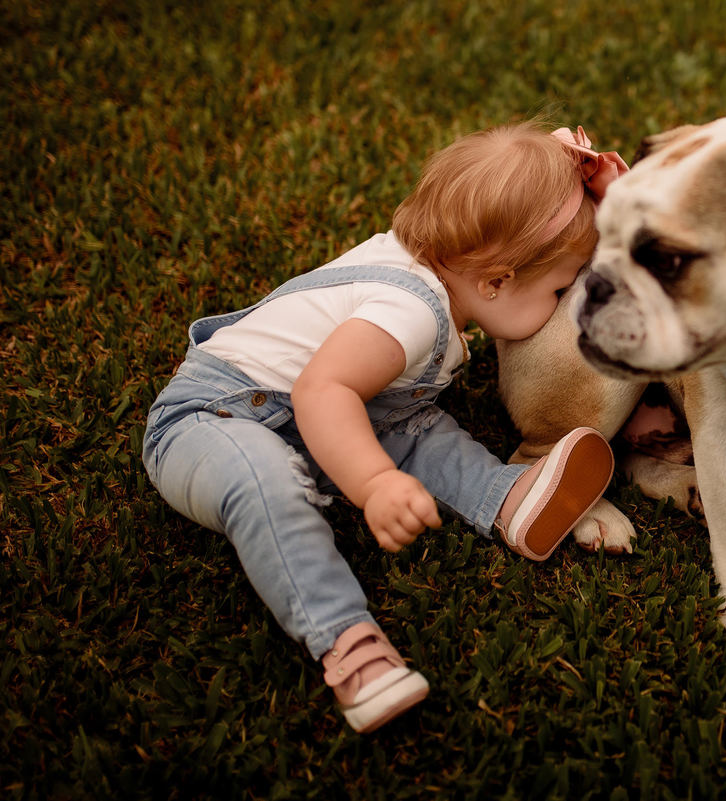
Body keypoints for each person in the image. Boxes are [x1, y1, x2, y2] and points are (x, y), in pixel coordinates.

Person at [141, 122, 629, 733]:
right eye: (558, 288)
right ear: (496, 281)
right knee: (267, 483)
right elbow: (323, 391)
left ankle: (508, 496)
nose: (560, 304)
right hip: (212, 420)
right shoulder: (410, 312)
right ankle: (349, 644)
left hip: (337, 409)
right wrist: (373, 483)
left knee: (415, 427)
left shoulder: (427, 272)